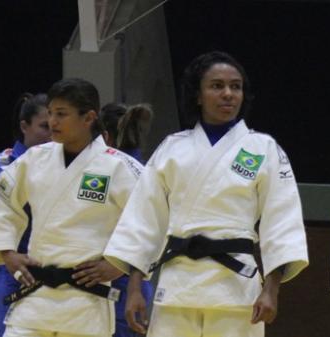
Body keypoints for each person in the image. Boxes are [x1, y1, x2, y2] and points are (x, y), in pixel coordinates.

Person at [103, 51, 309, 337]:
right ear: (198, 95)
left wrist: (271, 289)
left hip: (236, 289)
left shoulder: (263, 149)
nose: (228, 94)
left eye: (235, 87)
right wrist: (135, 288)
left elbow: (282, 223)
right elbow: (143, 220)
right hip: (177, 288)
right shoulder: (173, 148)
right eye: (217, 86)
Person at [0, 78, 144, 337]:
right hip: (36, 296)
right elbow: (1, 198)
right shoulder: (35, 159)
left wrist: (122, 263)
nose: (52, 122)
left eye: (61, 114)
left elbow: (150, 217)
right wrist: (7, 251)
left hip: (86, 302)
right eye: (50, 113)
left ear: (88, 117)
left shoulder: (119, 167)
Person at [0, 92, 51, 337]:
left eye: (55, 126)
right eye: (44, 126)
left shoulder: (64, 164)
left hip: (54, 268)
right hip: (13, 265)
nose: (51, 133)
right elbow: (0, 212)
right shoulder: (5, 162)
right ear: (24, 126)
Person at [99, 102, 155, 337]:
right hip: (135, 281)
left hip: (121, 280)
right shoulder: (147, 169)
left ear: (104, 136)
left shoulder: (112, 170)